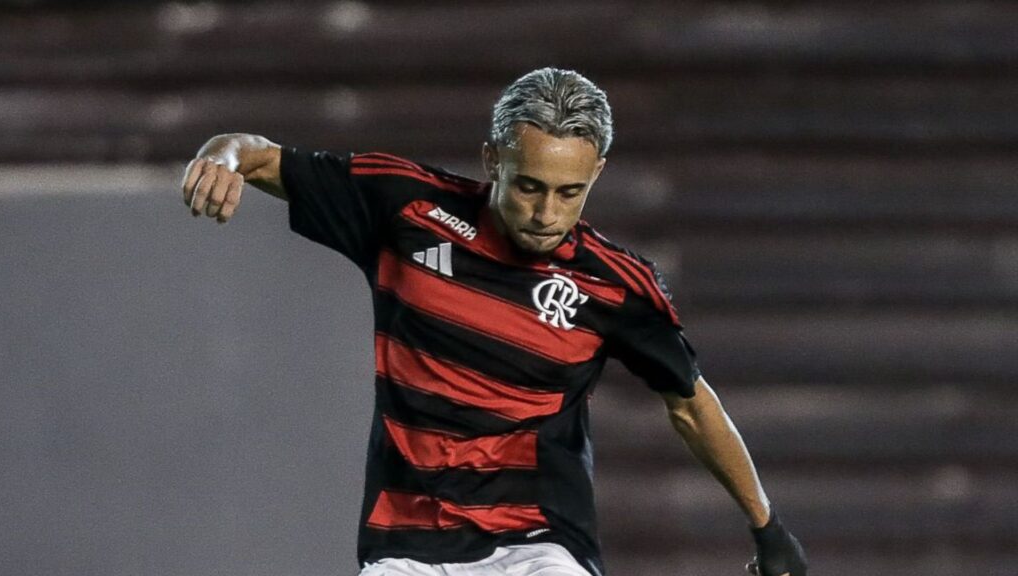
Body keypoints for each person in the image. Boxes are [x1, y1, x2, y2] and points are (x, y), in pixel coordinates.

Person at [179, 68, 807, 576]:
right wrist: (220, 158)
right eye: (529, 186)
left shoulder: (617, 286)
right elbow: (256, 156)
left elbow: (691, 406)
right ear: (492, 159)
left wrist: (767, 527)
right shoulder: (406, 206)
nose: (546, 213)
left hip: (540, 544)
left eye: (569, 192)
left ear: (596, 174)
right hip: (405, 543)